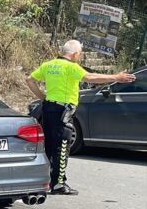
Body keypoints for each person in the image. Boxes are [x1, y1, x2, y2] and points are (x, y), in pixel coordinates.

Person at [26, 40, 135, 195]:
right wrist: (116, 77)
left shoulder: (48, 65)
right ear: (75, 53)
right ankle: (58, 184)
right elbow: (90, 77)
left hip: (49, 107)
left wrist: (42, 97)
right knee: (62, 146)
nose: (81, 55)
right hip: (63, 110)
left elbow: (29, 80)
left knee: (49, 145)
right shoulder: (71, 67)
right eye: (81, 53)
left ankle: (45, 180)